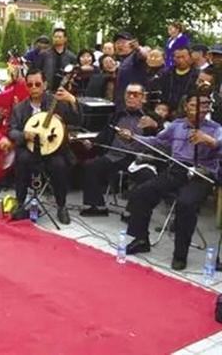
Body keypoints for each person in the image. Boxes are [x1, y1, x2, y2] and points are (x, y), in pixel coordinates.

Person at [123, 90, 222, 270]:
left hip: (202, 175)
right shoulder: (176, 125)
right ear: (186, 107)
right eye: (195, 105)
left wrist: (209, 141)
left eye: (205, 105)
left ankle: (180, 255)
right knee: (141, 193)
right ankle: (141, 239)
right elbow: (157, 141)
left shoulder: (215, 128)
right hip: (176, 170)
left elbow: (219, 146)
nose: (200, 109)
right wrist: (134, 137)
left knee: (186, 203)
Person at [8, 68, 81, 225]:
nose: (34, 88)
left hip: (53, 150)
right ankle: (20, 203)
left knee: (58, 164)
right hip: (30, 149)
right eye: (30, 84)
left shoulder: (56, 102)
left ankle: (61, 206)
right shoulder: (19, 108)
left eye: (38, 84)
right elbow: (12, 131)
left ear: (45, 85)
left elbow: (77, 121)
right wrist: (24, 135)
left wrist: (72, 100)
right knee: (21, 159)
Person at [79, 84, 160, 217]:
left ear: (143, 98)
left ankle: (133, 211)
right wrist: (92, 144)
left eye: (135, 94)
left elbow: (163, 139)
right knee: (90, 166)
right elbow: (105, 133)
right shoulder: (117, 115)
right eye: (128, 94)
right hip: (114, 155)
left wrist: (156, 126)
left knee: (147, 176)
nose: (131, 97)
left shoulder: (151, 117)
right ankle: (97, 206)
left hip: (136, 159)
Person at [33, 27, 77, 91]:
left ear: (65, 39)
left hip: (65, 90)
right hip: (47, 89)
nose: (57, 39)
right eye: (55, 37)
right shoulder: (44, 55)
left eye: (59, 37)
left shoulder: (71, 56)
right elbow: (36, 70)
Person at [158, 46, 198, 112]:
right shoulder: (165, 73)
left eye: (183, 57)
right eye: (178, 57)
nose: (181, 60)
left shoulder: (197, 75)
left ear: (190, 57)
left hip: (187, 111)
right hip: (167, 110)